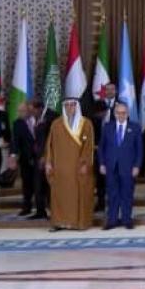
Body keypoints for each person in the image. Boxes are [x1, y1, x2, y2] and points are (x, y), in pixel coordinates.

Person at [45, 97, 96, 231]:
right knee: (60, 196)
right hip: (60, 169)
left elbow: (89, 146)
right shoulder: (56, 124)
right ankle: (59, 222)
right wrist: (49, 162)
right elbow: (49, 145)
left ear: (77, 106)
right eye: (67, 105)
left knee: (78, 195)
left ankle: (78, 223)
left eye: (72, 105)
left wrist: (85, 164)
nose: (69, 108)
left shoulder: (86, 124)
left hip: (77, 168)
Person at [98, 102, 143, 230]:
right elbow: (101, 148)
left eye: (123, 113)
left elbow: (139, 149)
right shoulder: (107, 127)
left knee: (127, 193)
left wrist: (137, 166)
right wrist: (101, 163)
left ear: (127, 114)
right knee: (112, 194)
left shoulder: (135, 128)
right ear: (114, 114)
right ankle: (112, 220)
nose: (121, 115)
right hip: (110, 166)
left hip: (128, 167)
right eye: (118, 113)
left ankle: (126, 219)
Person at [93, 82, 119, 210]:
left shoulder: (120, 107)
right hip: (99, 151)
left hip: (114, 150)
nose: (109, 92)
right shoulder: (97, 107)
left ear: (116, 91)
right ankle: (101, 203)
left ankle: (115, 202)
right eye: (107, 89)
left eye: (112, 89)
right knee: (100, 179)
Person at [8, 101, 37, 216]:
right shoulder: (17, 123)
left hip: (41, 157)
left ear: (29, 110)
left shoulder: (39, 120)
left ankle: (43, 207)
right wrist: (13, 156)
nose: (20, 113)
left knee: (41, 183)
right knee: (27, 184)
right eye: (18, 111)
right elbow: (15, 141)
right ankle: (27, 207)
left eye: (22, 111)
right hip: (26, 158)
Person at [29, 99, 55, 220]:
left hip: (49, 157)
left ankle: (54, 211)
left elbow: (52, 139)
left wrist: (46, 156)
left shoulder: (52, 117)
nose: (31, 113)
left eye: (32, 110)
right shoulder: (37, 117)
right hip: (37, 157)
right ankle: (40, 211)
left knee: (49, 185)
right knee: (38, 184)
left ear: (39, 108)